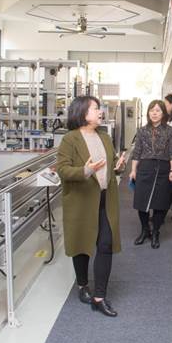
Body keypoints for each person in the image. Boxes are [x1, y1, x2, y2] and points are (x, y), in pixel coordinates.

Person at [56, 96, 125, 317]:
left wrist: (117, 166)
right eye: (96, 108)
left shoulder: (104, 137)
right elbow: (63, 170)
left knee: (105, 244)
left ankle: (99, 297)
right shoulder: (70, 139)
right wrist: (85, 171)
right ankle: (82, 285)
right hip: (81, 200)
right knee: (82, 244)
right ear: (83, 113)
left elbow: (110, 164)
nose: (100, 112)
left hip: (105, 199)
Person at [130, 100, 172, 249]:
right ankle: (145, 230)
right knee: (141, 202)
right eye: (152, 110)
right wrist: (133, 170)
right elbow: (137, 152)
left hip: (163, 168)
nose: (154, 113)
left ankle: (156, 232)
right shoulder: (142, 131)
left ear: (163, 113)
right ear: (148, 112)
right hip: (145, 167)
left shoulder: (170, 131)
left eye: (158, 110)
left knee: (160, 203)